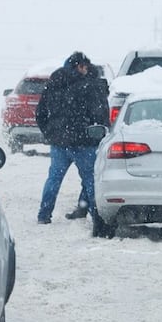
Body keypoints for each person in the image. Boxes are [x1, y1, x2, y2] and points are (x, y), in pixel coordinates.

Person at [34, 51, 108, 224]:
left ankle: (44, 215)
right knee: (91, 179)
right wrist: (98, 131)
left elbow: (40, 112)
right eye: (84, 66)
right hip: (85, 142)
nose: (86, 69)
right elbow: (100, 112)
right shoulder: (91, 85)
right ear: (80, 66)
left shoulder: (55, 83)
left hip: (60, 143)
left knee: (54, 179)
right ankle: (97, 217)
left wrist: (50, 133)